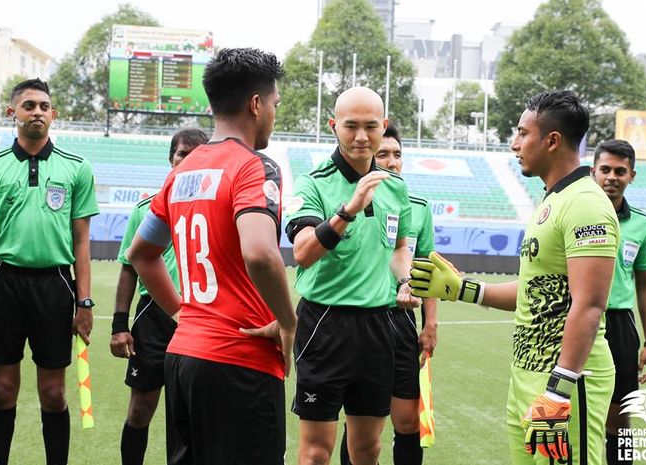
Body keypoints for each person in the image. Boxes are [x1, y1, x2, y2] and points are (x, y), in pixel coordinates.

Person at [410, 90, 619, 465]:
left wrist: (558, 390)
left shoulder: (586, 203)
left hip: (566, 382)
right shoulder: (551, 200)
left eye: (523, 133)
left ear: (552, 141)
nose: (514, 144)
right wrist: (464, 289)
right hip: (527, 375)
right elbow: (536, 290)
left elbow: (588, 306)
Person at [126, 48, 297, 465]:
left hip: (184, 356)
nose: (274, 113)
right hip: (240, 361)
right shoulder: (255, 166)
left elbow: (141, 255)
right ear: (256, 104)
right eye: (274, 103)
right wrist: (289, 321)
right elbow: (259, 252)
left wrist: (183, 315)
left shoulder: (182, 171)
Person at [286, 87, 419, 465]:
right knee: (315, 452)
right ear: (333, 126)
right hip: (325, 324)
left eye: (370, 127)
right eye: (350, 126)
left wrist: (407, 280)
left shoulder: (396, 188)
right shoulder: (312, 183)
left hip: (379, 328)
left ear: (384, 126)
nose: (361, 137)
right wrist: (348, 209)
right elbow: (303, 253)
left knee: (367, 448)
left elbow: (398, 250)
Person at [0, 78, 99, 465]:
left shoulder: (76, 168)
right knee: (2, 391)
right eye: (29, 106)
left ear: (53, 114)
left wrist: (85, 302)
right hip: (5, 284)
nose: (37, 112)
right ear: (13, 113)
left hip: (55, 286)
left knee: (53, 394)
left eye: (44, 106)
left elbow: (81, 242)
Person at [338, 124, 437, 465]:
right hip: (361, 317)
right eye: (384, 154)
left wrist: (430, 324)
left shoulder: (419, 207)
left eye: (398, 155)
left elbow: (426, 269)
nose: (392, 162)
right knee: (362, 423)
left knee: (408, 419)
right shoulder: (351, 202)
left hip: (401, 322)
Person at [110, 128, 209, 465]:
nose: (190, 161)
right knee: (141, 408)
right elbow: (129, 266)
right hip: (153, 318)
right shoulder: (146, 209)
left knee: (199, 413)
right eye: (183, 154)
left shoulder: (216, 210)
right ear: (171, 159)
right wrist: (119, 325)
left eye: (198, 154)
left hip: (202, 317)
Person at [590, 139, 646, 465]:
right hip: (575, 321)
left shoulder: (643, 225)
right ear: (593, 172)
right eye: (605, 169)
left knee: (620, 416)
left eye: (620, 171)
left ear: (632, 175)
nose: (612, 177)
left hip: (619, 326)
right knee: (565, 411)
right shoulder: (576, 215)